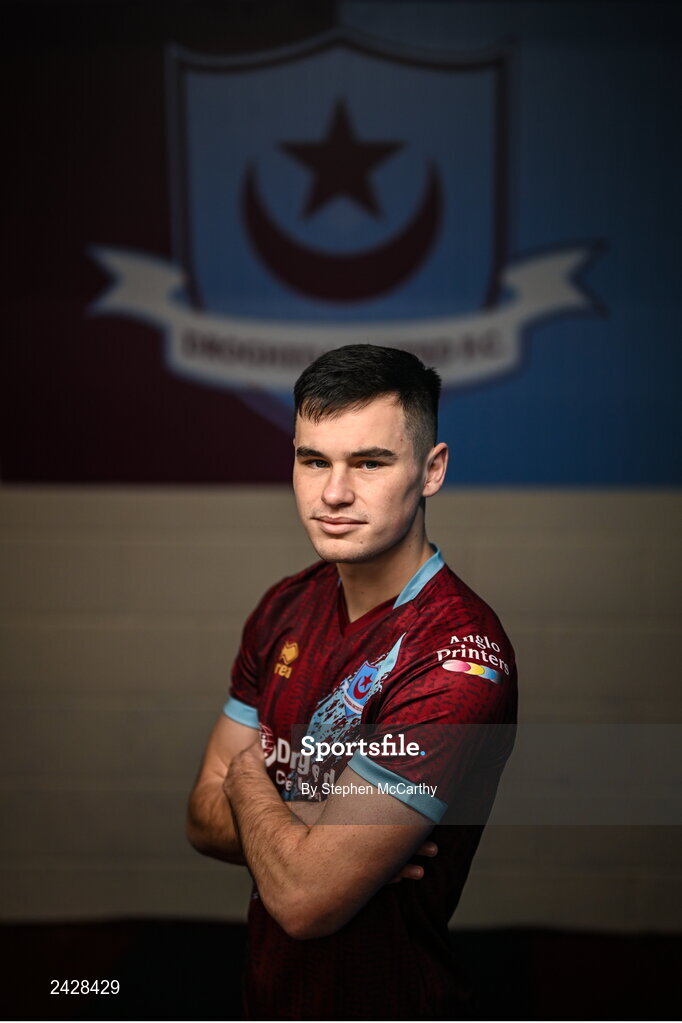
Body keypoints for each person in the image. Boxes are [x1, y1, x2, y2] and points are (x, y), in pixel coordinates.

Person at [187, 344, 517, 1020]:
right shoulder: (283, 604)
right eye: (314, 460)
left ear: (432, 470)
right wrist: (315, 827)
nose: (333, 492)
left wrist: (249, 780)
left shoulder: (456, 655)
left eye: (369, 462)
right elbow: (198, 817)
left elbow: (306, 898)